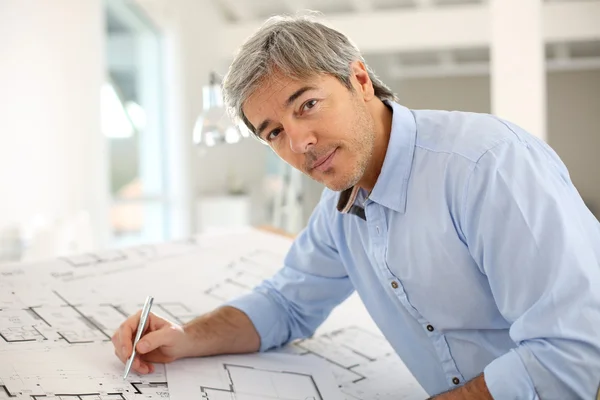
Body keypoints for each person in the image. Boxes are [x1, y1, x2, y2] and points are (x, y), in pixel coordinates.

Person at [111, 14, 600, 399]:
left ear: (360, 80)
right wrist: (184, 336)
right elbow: (284, 305)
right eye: (274, 132)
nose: (299, 142)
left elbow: (569, 352)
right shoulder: (340, 213)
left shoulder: (487, 164)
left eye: (306, 104)